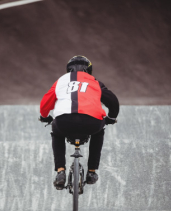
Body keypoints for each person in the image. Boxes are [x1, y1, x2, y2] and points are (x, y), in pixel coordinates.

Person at [39, 55, 119, 190]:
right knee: (99, 132)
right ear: (88, 70)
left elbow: (45, 102)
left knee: (56, 133)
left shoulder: (61, 81)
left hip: (64, 122)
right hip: (91, 122)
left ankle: (60, 171)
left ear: (68, 69)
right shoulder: (94, 82)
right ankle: (92, 171)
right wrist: (110, 118)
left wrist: (44, 116)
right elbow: (113, 101)